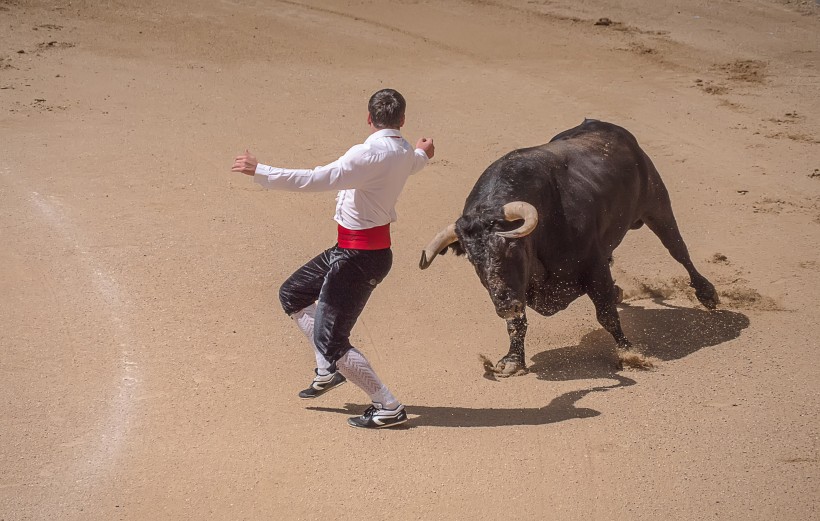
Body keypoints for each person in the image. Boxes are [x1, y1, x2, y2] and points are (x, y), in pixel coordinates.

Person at [231, 89, 435, 429]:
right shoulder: (403, 151)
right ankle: (327, 370)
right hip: (356, 251)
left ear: (369, 118)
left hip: (358, 258)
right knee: (293, 293)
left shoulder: (368, 154)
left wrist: (260, 170)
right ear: (402, 121)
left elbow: (315, 180)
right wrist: (424, 153)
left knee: (332, 340)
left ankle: (387, 405)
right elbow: (416, 161)